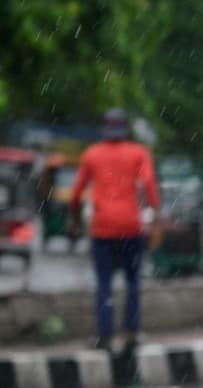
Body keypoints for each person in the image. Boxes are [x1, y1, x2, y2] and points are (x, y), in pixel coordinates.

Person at [69, 109, 160, 353]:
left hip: (102, 228)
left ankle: (106, 337)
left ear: (105, 129)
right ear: (125, 130)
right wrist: (155, 219)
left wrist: (75, 219)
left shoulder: (92, 154)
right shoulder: (139, 153)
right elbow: (149, 186)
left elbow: (76, 193)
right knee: (133, 281)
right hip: (131, 227)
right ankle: (132, 333)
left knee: (104, 283)